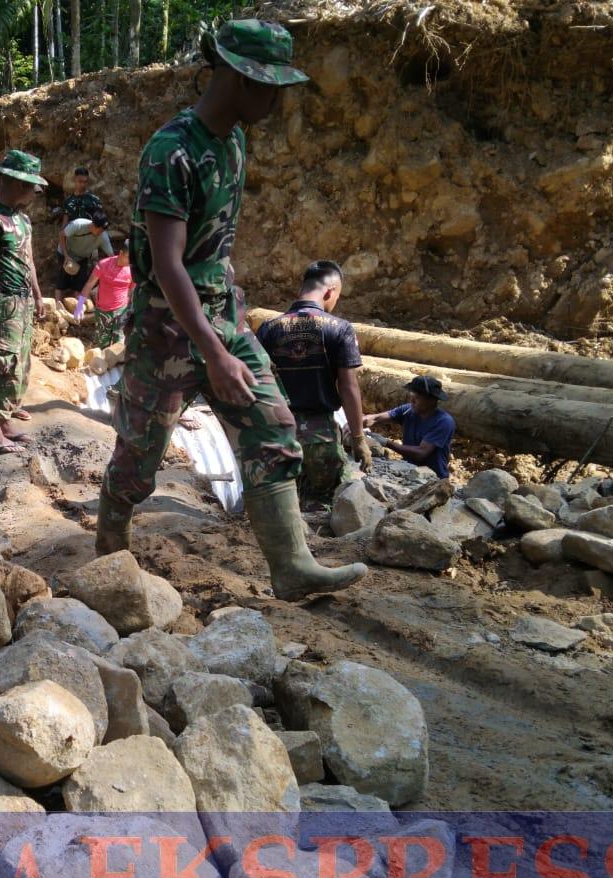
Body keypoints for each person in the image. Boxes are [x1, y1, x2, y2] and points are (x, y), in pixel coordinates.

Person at [96, 19, 366, 602]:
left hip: (223, 317)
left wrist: (227, 338)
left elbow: (213, 249)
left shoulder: (234, 141)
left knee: (273, 427)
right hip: (166, 331)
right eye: (271, 87)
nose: (277, 101)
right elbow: (167, 265)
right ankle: (109, 542)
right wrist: (213, 354)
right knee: (140, 456)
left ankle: (292, 566)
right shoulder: (172, 151)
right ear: (240, 78)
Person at [255, 259, 371, 503]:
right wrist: (358, 439)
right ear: (330, 291)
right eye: (337, 296)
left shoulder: (268, 329)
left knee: (283, 506)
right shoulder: (340, 328)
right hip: (321, 439)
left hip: (276, 438)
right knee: (324, 507)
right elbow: (348, 387)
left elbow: (256, 383)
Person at [0, 149, 49, 454]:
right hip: (4, 304)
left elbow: (28, 260)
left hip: (23, 302)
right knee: (3, 364)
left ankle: (4, 424)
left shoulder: (23, 220)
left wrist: (38, 294)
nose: (35, 194)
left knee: (20, 363)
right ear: (19, 184)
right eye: (33, 188)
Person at [363, 375, 456, 479]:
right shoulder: (408, 410)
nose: (412, 401)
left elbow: (421, 453)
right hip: (408, 470)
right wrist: (355, 425)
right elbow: (375, 419)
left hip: (433, 477)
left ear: (432, 400)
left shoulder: (443, 422)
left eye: (417, 398)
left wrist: (386, 443)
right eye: (411, 396)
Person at [74, 239, 135, 347]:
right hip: (103, 311)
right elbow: (89, 284)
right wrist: (79, 305)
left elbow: (132, 291)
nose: (131, 261)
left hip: (122, 311)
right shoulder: (104, 264)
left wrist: (132, 310)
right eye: (128, 257)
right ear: (121, 253)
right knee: (102, 344)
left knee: (119, 345)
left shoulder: (132, 270)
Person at [57, 209, 114, 299]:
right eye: (99, 230)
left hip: (82, 257)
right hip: (67, 252)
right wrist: (66, 256)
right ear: (93, 225)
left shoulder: (103, 237)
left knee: (80, 286)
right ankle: (59, 303)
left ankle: (78, 306)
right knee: (61, 280)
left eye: (102, 231)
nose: (101, 233)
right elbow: (62, 234)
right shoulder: (78, 225)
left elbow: (112, 255)